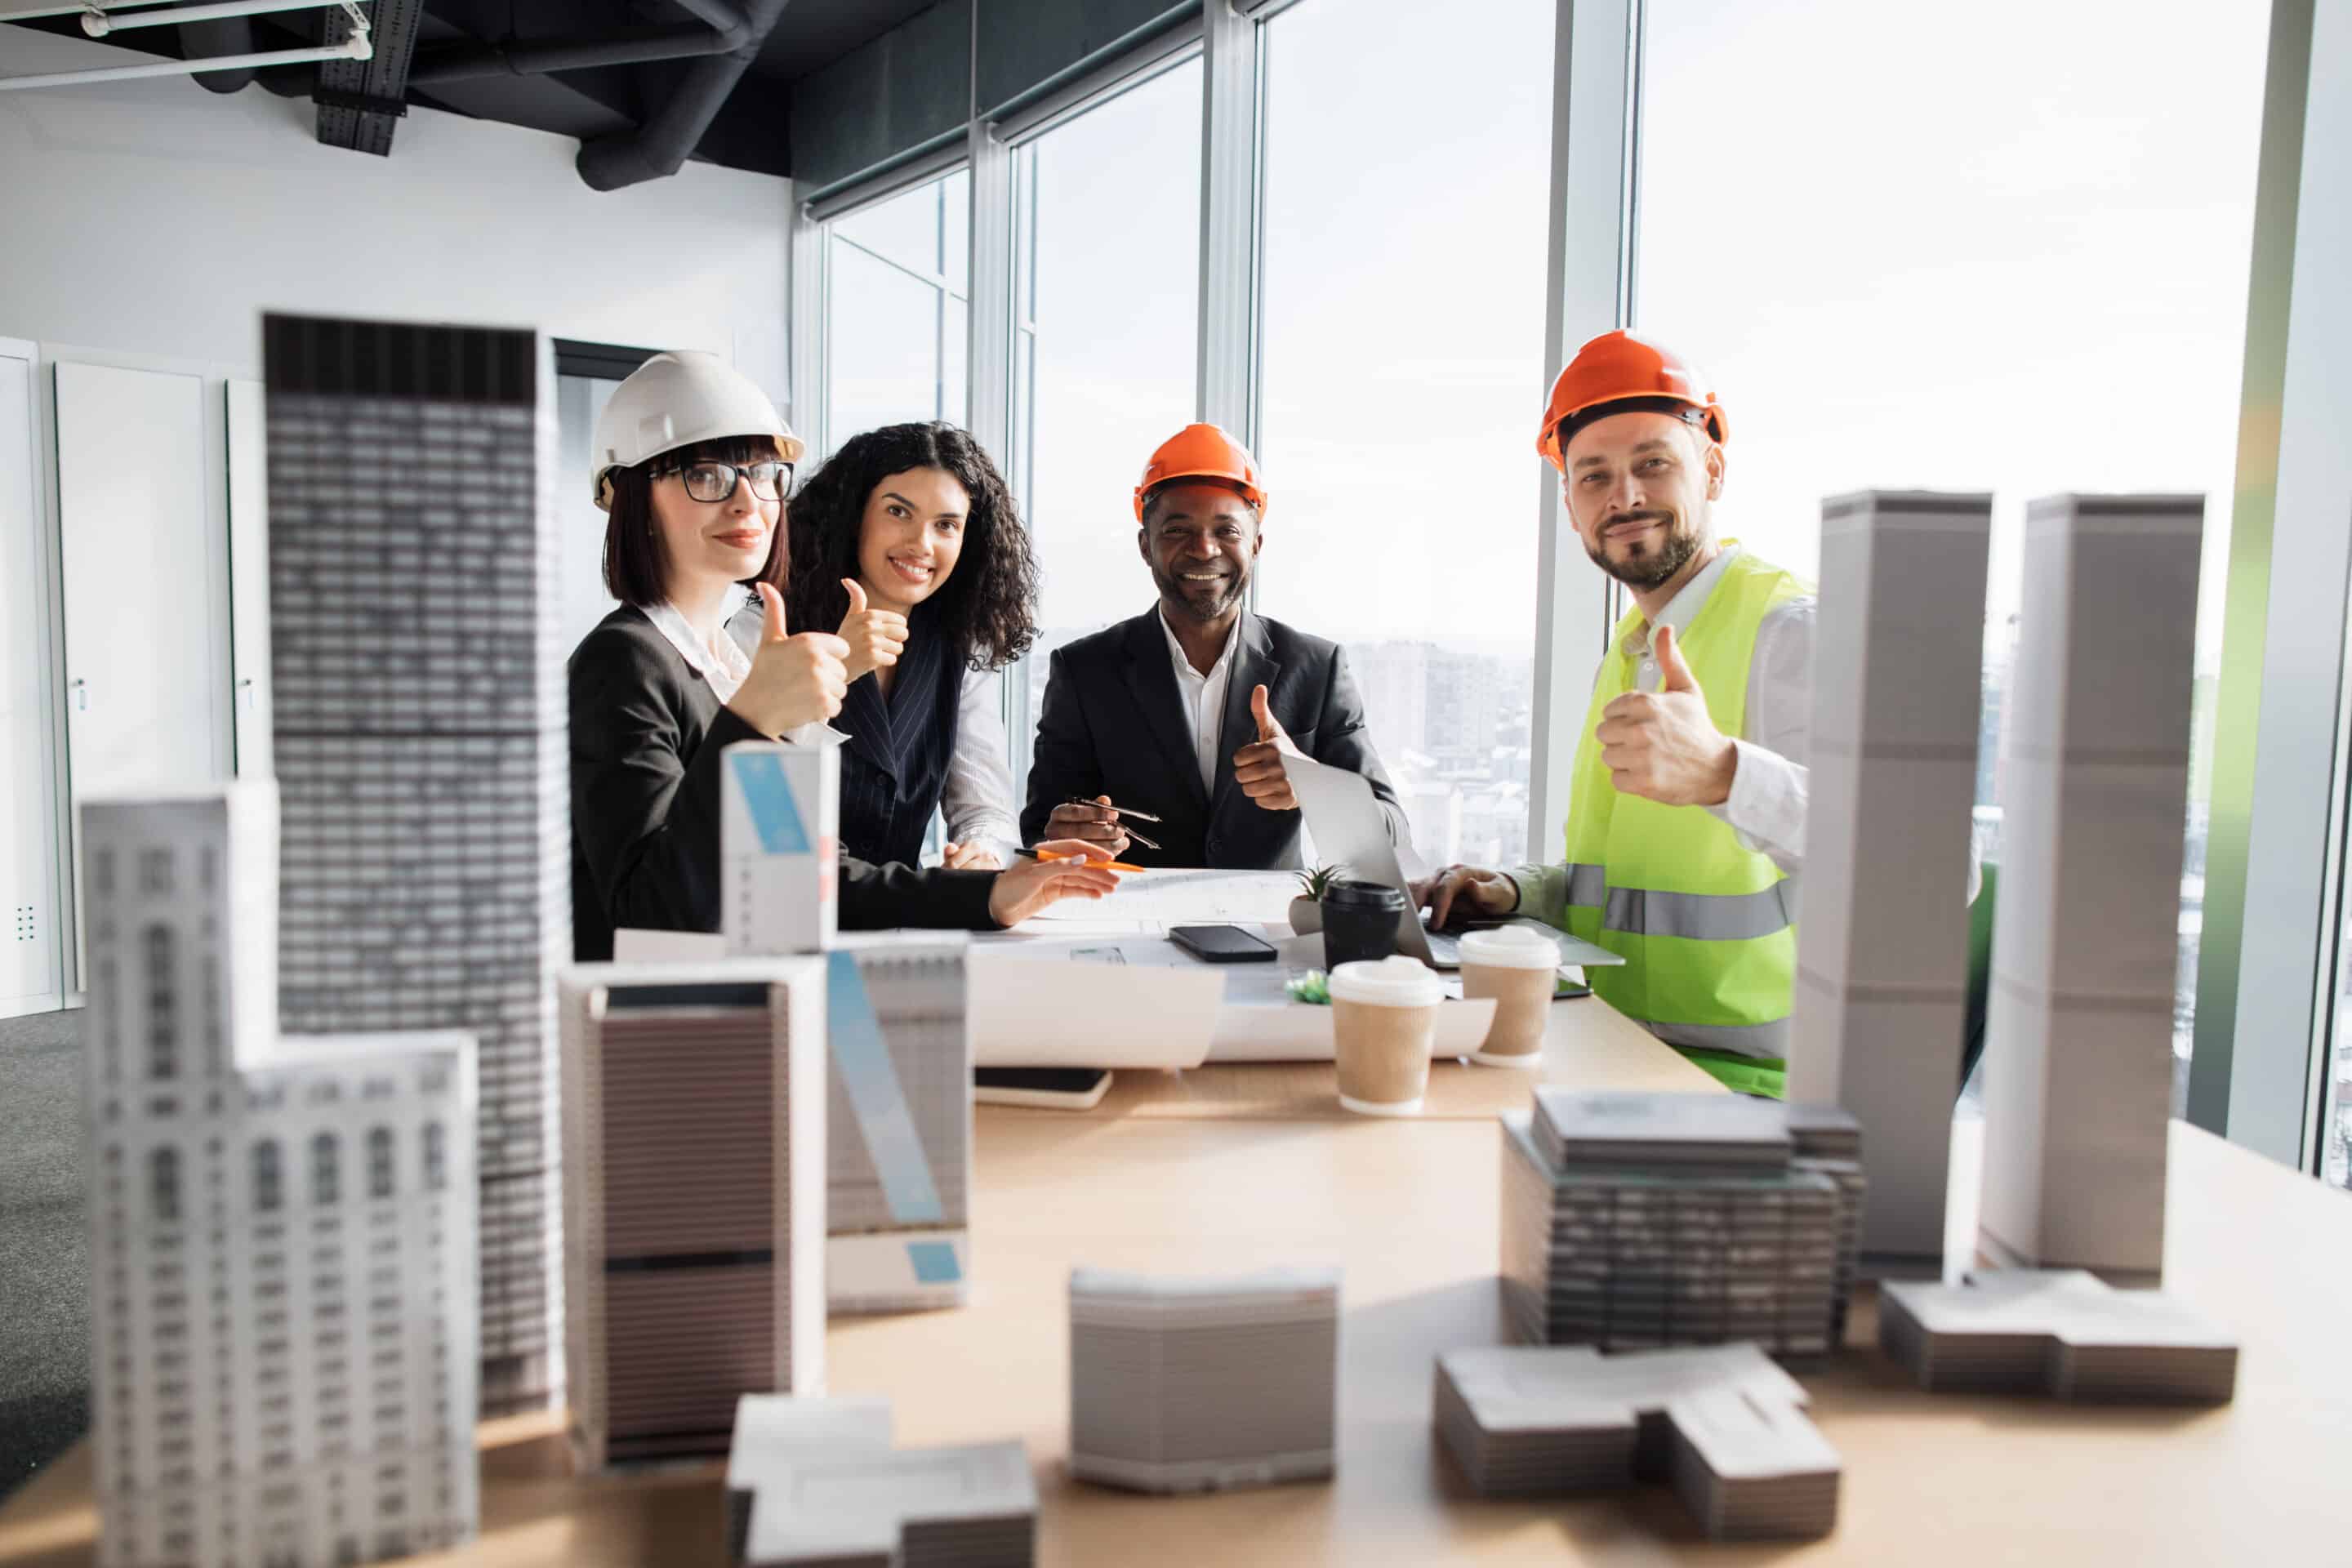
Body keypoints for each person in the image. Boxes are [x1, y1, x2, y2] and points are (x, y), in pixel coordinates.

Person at [567, 351, 1116, 961]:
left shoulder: (712, 659)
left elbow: (797, 872)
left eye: (763, 474)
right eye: (707, 475)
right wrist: (753, 721)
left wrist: (988, 895)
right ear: (626, 495)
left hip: (779, 978)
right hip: (659, 1028)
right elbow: (655, 911)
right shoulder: (624, 660)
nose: (748, 503)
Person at [1423, 331, 1814, 1097]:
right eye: (1593, 476)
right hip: (1615, 1056)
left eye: (1653, 464)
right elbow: (1627, 886)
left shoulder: (1787, 630)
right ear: (1570, 508)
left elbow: (1938, 866)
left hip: (1749, 1094)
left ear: (1714, 470)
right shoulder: (1636, 647)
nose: (1624, 496)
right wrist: (1515, 892)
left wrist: (1726, 774)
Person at [1020, 423, 1408, 869]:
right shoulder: (1084, 669)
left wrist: (1313, 786)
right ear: (1145, 546)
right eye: (1177, 531)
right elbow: (1040, 829)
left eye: (1227, 531)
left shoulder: (1317, 667)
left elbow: (1393, 833)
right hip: (1133, 925)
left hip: (1269, 929)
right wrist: (1067, 836)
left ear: (1256, 545)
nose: (1204, 550)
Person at [783, 423, 1034, 871]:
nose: (922, 544)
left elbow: (984, 806)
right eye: (899, 513)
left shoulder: (958, 650)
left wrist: (982, 852)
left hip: (900, 924)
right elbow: (752, 803)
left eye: (946, 525)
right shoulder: (768, 633)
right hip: (784, 914)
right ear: (852, 515)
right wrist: (835, 671)